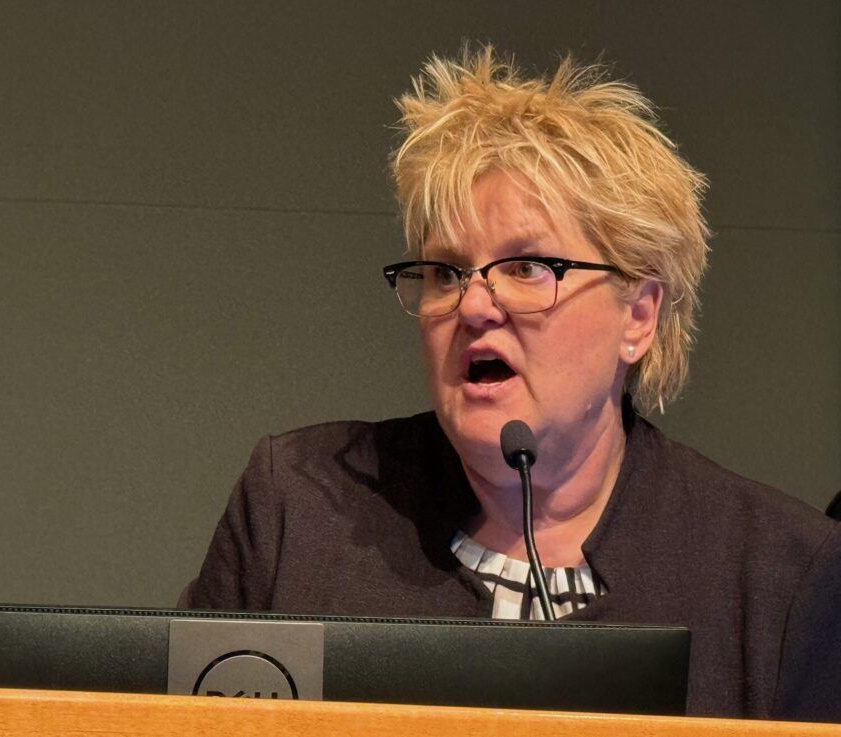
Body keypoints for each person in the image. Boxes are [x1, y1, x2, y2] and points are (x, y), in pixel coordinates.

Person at [179, 46, 838, 720]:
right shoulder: (298, 505)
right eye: (444, 272)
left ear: (638, 316)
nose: (472, 306)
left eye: (525, 267)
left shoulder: (779, 574)